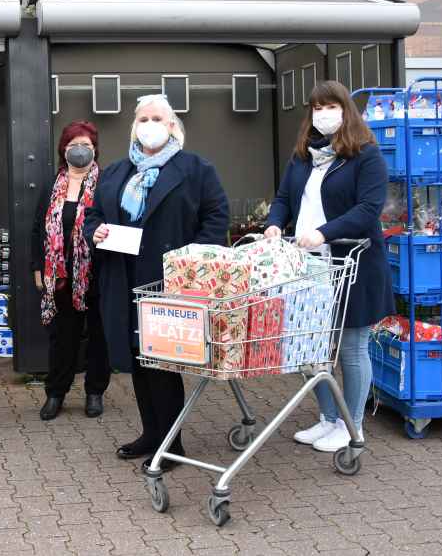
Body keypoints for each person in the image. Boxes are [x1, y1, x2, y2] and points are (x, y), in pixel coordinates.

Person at [84, 94, 229, 472]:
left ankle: (172, 442)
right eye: (143, 118)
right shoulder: (117, 172)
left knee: (163, 364)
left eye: (157, 118)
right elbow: (93, 214)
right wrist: (93, 231)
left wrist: (194, 260)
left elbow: (216, 218)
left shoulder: (196, 169)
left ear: (172, 126)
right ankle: (152, 434)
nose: (149, 124)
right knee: (138, 360)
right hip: (124, 279)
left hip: (170, 282)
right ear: (134, 126)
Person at [265, 80, 393, 453]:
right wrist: (275, 223)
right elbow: (284, 198)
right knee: (309, 347)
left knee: (352, 348)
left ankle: (352, 426)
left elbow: (368, 210)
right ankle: (328, 418)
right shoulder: (303, 156)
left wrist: (324, 232)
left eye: (331, 106)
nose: (323, 114)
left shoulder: (366, 156)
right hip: (308, 265)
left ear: (346, 111)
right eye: (317, 108)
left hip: (354, 263)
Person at [31, 120, 110, 421]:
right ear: (64, 150)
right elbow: (37, 228)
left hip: (97, 273)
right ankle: (56, 393)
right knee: (62, 337)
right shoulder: (53, 186)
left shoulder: (106, 184)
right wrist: (37, 268)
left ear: (95, 150)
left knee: (98, 334)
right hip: (61, 276)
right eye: (73, 145)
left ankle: (94, 392)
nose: (79, 151)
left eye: (86, 146)